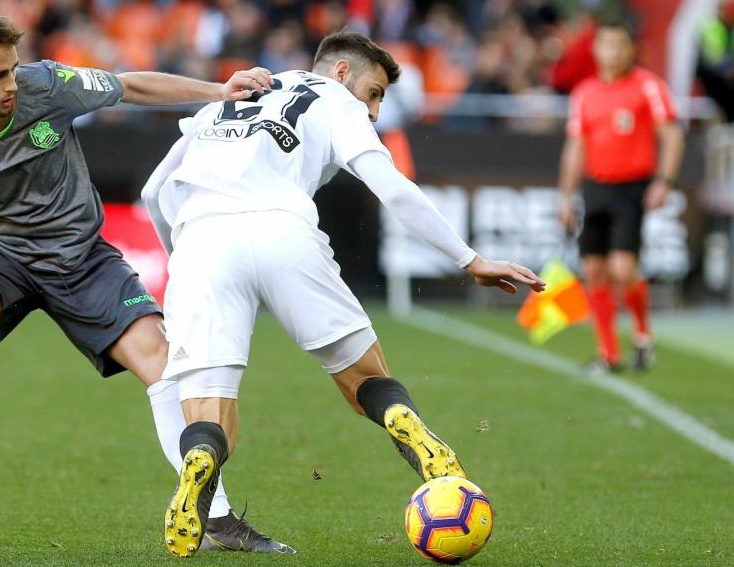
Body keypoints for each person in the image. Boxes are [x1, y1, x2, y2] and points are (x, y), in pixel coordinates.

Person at [0, 10, 291, 553]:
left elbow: (129, 85)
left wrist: (219, 91)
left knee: (163, 361)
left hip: (81, 255)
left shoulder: (47, 85)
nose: (12, 85)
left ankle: (215, 516)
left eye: (13, 70)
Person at [140, 31, 545, 557]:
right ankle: (406, 425)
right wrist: (470, 259)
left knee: (208, 417)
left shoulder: (231, 95)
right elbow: (392, 186)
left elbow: (153, 191)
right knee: (366, 379)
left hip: (199, 239)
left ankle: (200, 462)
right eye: (374, 92)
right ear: (340, 73)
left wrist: (182, 259)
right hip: (283, 228)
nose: (374, 109)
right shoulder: (333, 99)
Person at [558, 21, 684, 373]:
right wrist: (566, 196)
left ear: (631, 49)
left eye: (619, 45)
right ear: (596, 50)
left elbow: (672, 135)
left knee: (622, 267)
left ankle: (643, 335)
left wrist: (664, 181)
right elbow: (575, 146)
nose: (613, 52)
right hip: (596, 186)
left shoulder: (649, 86)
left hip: (632, 187)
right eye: (606, 45)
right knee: (594, 269)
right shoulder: (584, 92)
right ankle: (608, 353)